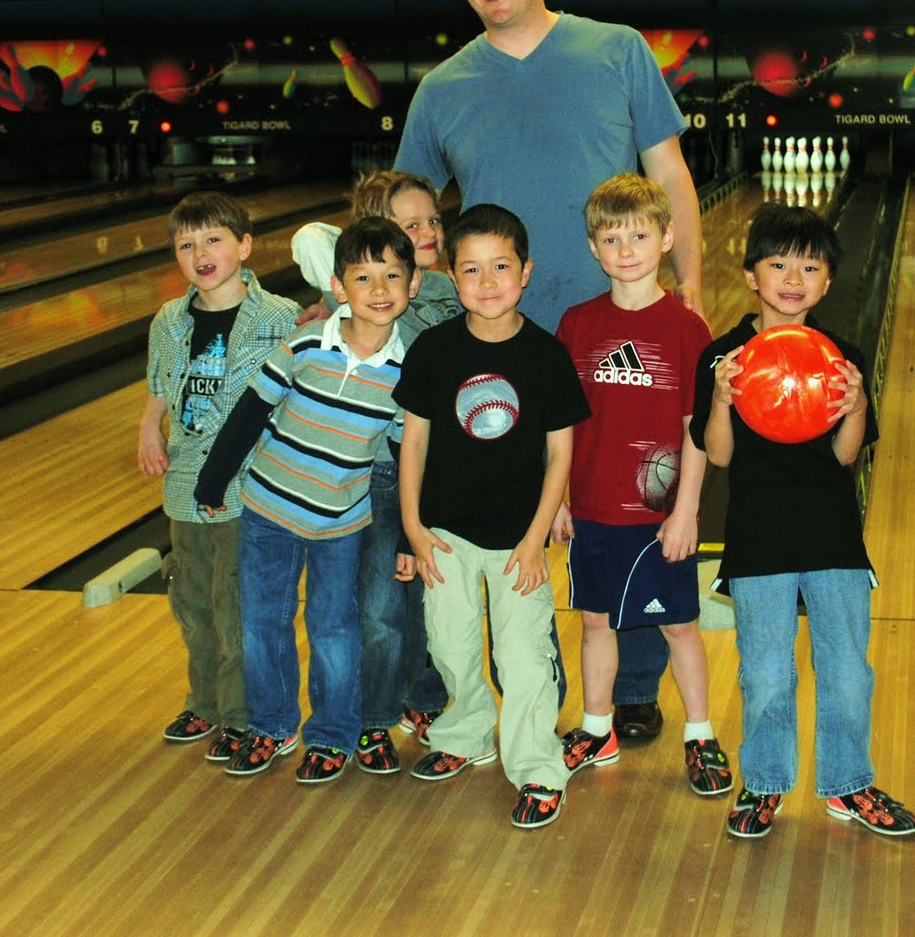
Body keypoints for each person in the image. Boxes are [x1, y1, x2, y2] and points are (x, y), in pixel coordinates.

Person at [395, 0, 705, 737]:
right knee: (510, 516)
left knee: (628, 505)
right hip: (499, 342)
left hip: (622, 329)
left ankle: (632, 688)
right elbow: (407, 211)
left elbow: (669, 175)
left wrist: (693, 287)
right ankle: (544, 686)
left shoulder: (616, 50)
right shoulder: (442, 86)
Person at [692, 203, 915, 841]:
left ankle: (850, 784)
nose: (793, 278)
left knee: (847, 669)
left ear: (827, 282)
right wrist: (719, 397)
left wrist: (856, 405)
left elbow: (846, 456)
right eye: (778, 263)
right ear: (750, 275)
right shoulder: (724, 357)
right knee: (765, 672)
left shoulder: (841, 355)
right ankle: (764, 784)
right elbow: (719, 454)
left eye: (810, 267)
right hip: (759, 538)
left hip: (832, 537)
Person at [195, 217, 419, 784]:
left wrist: (419, 529)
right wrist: (212, 480)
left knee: (334, 629)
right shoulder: (304, 345)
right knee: (262, 622)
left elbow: (408, 454)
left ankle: (332, 735)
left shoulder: (406, 371)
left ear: (412, 286)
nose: (378, 289)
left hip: (342, 524)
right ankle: (271, 726)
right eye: (363, 277)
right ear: (338, 287)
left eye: (392, 276)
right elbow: (251, 413)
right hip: (269, 509)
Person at [394, 204, 589, 829]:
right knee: (450, 645)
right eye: (471, 269)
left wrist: (537, 539)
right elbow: (415, 443)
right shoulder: (433, 349)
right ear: (452, 274)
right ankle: (467, 732)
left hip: (517, 539)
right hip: (444, 532)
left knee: (525, 654)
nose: (486, 282)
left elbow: (561, 453)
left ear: (525, 272)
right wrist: (413, 528)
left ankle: (536, 767)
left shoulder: (546, 355)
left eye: (500, 267)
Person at [551, 174, 730, 796]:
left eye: (639, 234)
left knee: (680, 626)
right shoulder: (577, 325)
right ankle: (596, 727)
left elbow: (696, 431)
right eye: (611, 237)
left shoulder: (686, 330)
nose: (625, 248)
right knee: (596, 623)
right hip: (594, 509)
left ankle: (701, 734)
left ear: (666, 237)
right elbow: (560, 426)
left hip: (658, 517)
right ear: (593, 247)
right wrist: (557, 504)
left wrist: (687, 513)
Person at [292, 171, 459, 774]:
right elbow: (311, 236)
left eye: (433, 221)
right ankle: (373, 718)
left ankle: (426, 697)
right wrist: (346, 285)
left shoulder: (447, 288)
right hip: (382, 473)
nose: (428, 233)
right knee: (383, 606)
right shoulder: (367, 299)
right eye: (409, 226)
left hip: (445, 469)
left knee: (431, 602)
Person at [138, 191, 299, 762]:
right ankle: (205, 702)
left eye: (213, 240)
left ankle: (241, 715)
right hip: (183, 484)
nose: (200, 253)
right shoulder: (168, 320)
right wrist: (149, 429)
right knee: (193, 604)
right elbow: (159, 386)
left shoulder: (278, 316)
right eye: (187, 245)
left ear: (245, 246)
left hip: (248, 488)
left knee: (236, 607)